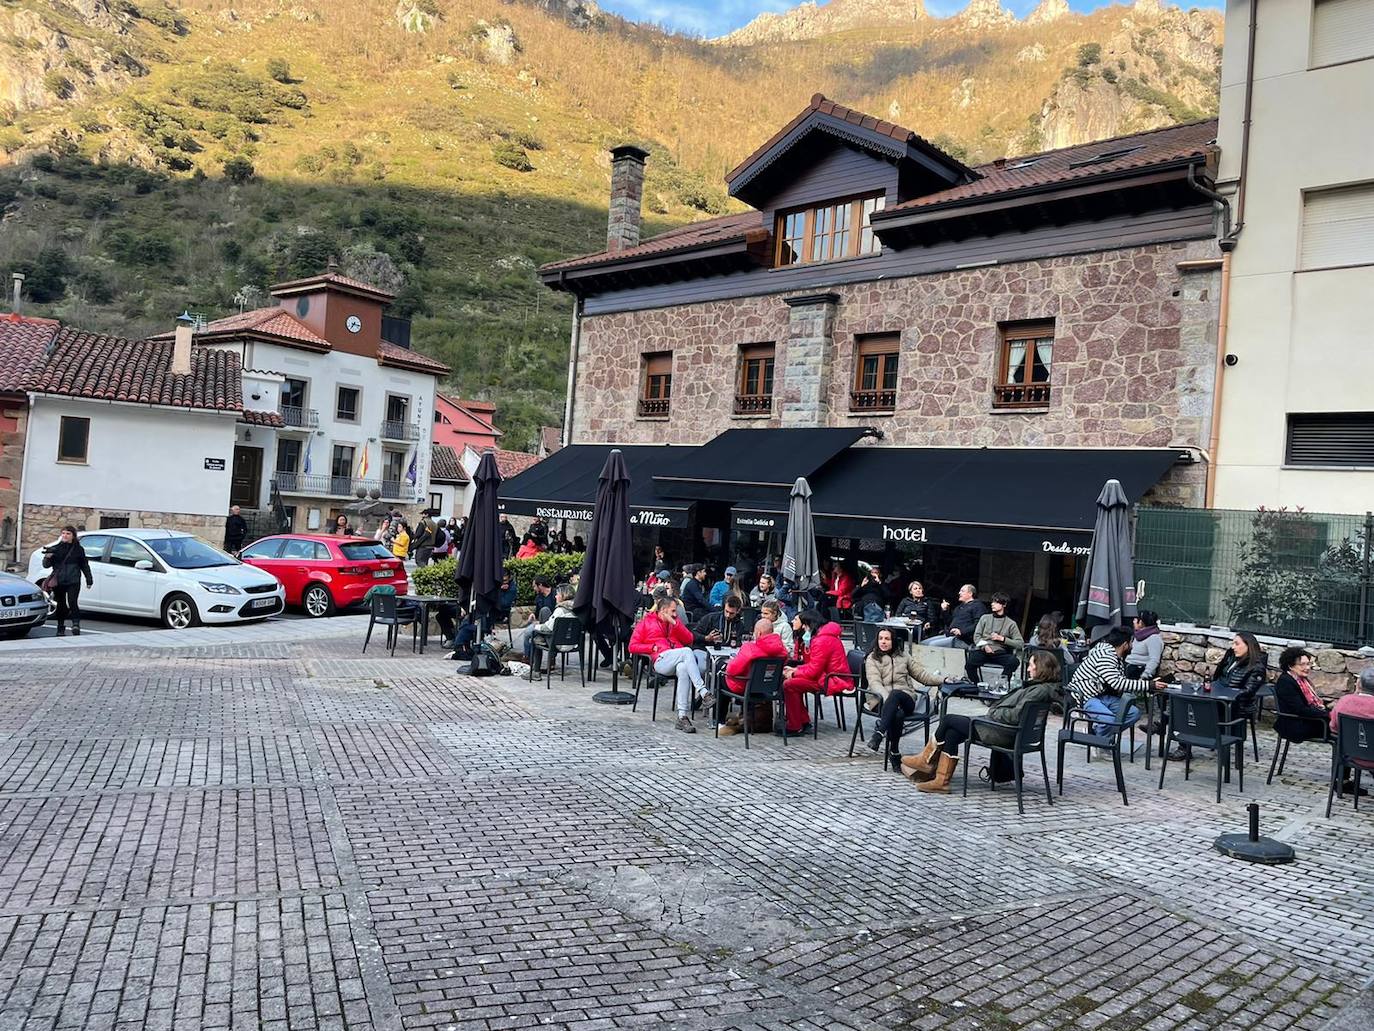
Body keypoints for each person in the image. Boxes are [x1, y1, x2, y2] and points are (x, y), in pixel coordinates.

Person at [903, 650, 1063, 793]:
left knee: (949, 719)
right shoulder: (1042, 688)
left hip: (1002, 732)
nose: (1028, 669)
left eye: (1031, 665)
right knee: (952, 732)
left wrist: (994, 712)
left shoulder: (1038, 691)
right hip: (1006, 730)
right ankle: (941, 781)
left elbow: (1015, 716)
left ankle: (926, 760)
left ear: (1041, 668)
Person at [863, 627, 954, 759]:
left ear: (893, 641)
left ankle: (879, 733)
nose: (883, 642)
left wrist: (943, 679)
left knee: (896, 694)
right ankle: (894, 753)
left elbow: (922, 675)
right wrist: (889, 701)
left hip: (906, 700)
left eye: (887, 639)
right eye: (880, 639)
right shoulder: (873, 658)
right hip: (881, 700)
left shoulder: (903, 656)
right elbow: (874, 683)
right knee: (897, 714)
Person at [629, 597, 711, 734]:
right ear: (663, 610)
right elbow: (632, 647)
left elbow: (689, 639)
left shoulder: (675, 622)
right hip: (660, 660)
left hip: (676, 659)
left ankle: (682, 717)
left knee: (683, 668)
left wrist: (675, 623)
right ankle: (703, 691)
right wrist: (652, 647)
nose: (675, 614)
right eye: (673, 611)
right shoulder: (645, 623)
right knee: (686, 652)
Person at [1067, 627, 1167, 736]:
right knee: (1108, 720)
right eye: (1131, 643)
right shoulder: (1105, 655)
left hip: (1101, 695)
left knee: (1133, 713)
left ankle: (1096, 735)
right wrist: (1149, 685)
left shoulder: (1115, 656)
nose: (1132, 646)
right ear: (1125, 644)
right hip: (1086, 697)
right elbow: (1117, 683)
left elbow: (1118, 683)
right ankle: (1099, 740)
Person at [718, 617, 790, 735]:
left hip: (745, 687)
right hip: (769, 688)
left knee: (721, 674)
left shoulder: (750, 648)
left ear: (758, 633)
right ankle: (743, 715)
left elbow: (732, 670)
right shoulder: (782, 650)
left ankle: (719, 720)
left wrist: (728, 665)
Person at [780, 610, 847, 736]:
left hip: (831, 680)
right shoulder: (822, 637)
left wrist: (794, 673)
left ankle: (795, 725)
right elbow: (814, 665)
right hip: (826, 676)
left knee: (789, 685)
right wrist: (795, 670)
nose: (803, 628)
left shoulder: (821, 640)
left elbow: (814, 670)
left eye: (803, 624)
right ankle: (803, 721)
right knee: (790, 682)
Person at [42, 525, 93, 637]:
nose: (65, 535)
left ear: (73, 536)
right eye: (63, 533)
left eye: (68, 533)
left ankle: (76, 624)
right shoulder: (55, 548)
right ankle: (60, 627)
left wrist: (89, 579)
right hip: (59, 581)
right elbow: (46, 565)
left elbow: (84, 565)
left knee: (72, 602)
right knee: (61, 605)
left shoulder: (78, 549)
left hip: (73, 580)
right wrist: (48, 557)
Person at [1273, 647, 1330, 744]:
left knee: (1341, 724)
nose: (1307, 668)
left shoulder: (1302, 680)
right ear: (1291, 666)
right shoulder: (1286, 682)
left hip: (1305, 720)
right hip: (1295, 724)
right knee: (1340, 728)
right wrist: (1327, 714)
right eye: (1302, 664)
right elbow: (1300, 709)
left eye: (1308, 664)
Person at [964, 592, 1023, 683]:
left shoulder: (1011, 623)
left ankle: (1001, 684)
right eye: (992, 602)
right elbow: (977, 636)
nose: (992, 604)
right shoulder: (985, 618)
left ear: (1004, 604)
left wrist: (1002, 639)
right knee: (970, 663)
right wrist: (985, 646)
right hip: (984, 650)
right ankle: (976, 685)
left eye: (996, 602)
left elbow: (1020, 644)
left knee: (1013, 662)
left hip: (1000, 653)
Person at [526, 584, 579, 673]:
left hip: (557, 644)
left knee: (534, 639)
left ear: (563, 595)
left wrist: (536, 626)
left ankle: (535, 671)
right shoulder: (577, 609)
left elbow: (547, 628)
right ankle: (542, 640)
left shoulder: (560, 610)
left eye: (557, 594)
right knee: (545, 611)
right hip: (573, 643)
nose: (555, 596)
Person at [1330, 668, 1374, 774]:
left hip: (1350, 755)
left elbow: (1334, 727)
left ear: (1359, 684)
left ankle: (1342, 781)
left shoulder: (1345, 701)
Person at [925, 585, 987, 649]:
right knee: (924, 644)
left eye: (962, 591)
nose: (959, 593)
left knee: (932, 645)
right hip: (950, 635)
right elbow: (949, 623)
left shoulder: (978, 606)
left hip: (963, 639)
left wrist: (961, 631)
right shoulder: (959, 607)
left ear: (970, 593)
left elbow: (979, 625)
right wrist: (945, 610)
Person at [1124, 610, 1164, 678]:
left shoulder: (1154, 638)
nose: (1133, 621)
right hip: (1128, 668)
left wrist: (1145, 675)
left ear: (1141, 622)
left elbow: (1154, 660)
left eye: (1135, 620)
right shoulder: (1137, 635)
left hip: (1139, 671)